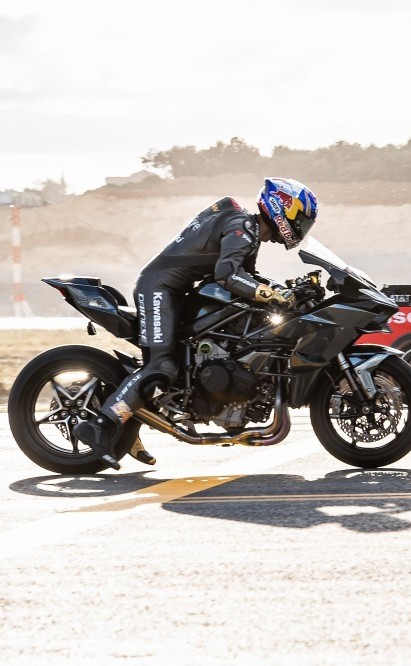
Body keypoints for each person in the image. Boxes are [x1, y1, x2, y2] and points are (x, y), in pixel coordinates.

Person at [73, 177, 319, 470]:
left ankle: (135, 422)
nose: (302, 228)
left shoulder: (247, 233)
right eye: (301, 220)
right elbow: (228, 275)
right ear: (283, 208)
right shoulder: (242, 227)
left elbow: (246, 278)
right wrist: (271, 295)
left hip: (177, 292)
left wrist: (288, 291)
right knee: (162, 366)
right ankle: (100, 424)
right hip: (160, 288)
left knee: (181, 365)